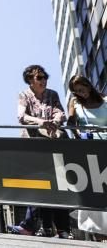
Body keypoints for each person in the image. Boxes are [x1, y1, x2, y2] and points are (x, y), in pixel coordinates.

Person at [10, 64, 70, 237]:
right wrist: (41, 121)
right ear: (30, 79)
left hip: (54, 144)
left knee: (58, 185)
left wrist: (56, 120)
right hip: (33, 146)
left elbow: (60, 112)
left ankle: (62, 228)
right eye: (39, 77)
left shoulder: (52, 94)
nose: (43, 80)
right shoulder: (24, 95)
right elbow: (21, 116)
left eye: (45, 77)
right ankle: (37, 226)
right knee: (38, 184)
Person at [68, 74, 106, 238]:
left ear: (88, 86)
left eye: (81, 89)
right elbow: (70, 123)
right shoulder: (75, 102)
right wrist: (78, 135)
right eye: (76, 91)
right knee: (95, 190)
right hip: (89, 150)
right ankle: (100, 235)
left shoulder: (105, 101)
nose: (79, 93)